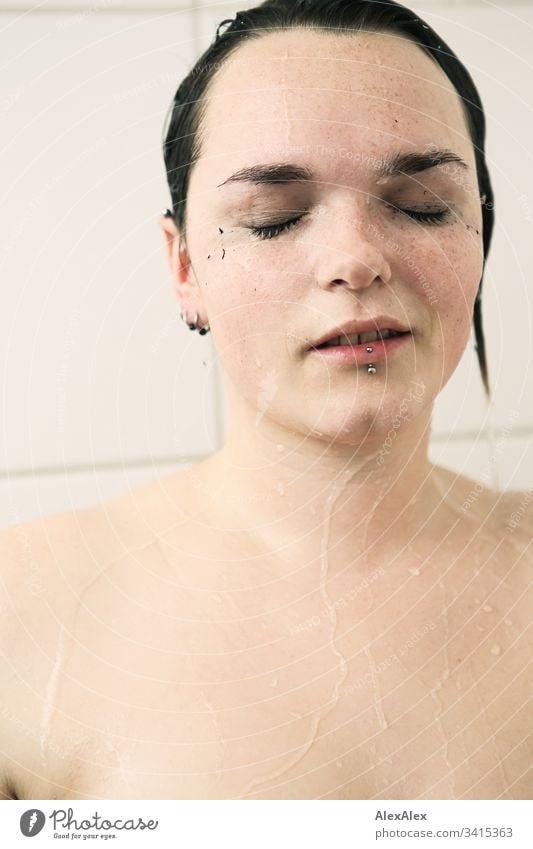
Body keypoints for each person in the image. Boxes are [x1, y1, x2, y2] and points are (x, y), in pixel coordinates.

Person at [0, 0, 531, 802]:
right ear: (184, 268)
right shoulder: (23, 612)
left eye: (422, 204)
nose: (355, 259)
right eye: (273, 218)